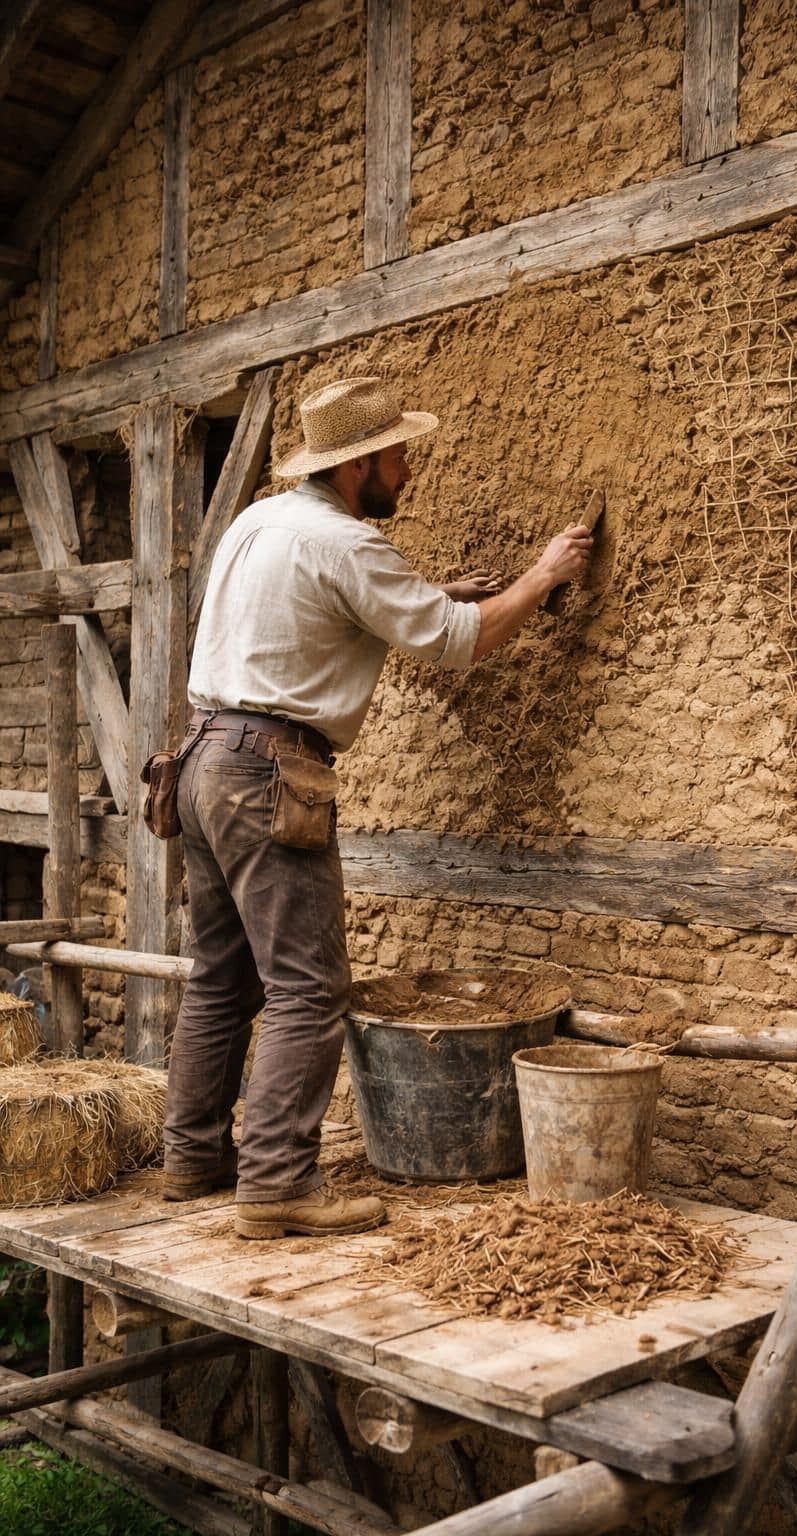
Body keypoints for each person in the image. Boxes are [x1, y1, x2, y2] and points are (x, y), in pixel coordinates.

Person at [161, 375, 593, 1238]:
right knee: (310, 988)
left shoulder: (260, 520)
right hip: (269, 773)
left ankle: (192, 1157)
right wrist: (541, 577)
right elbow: (459, 645)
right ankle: (278, 1184)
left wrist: (442, 598)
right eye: (398, 454)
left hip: (203, 761)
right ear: (358, 466)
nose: (409, 470)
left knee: (221, 978)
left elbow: (324, 617)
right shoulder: (350, 546)